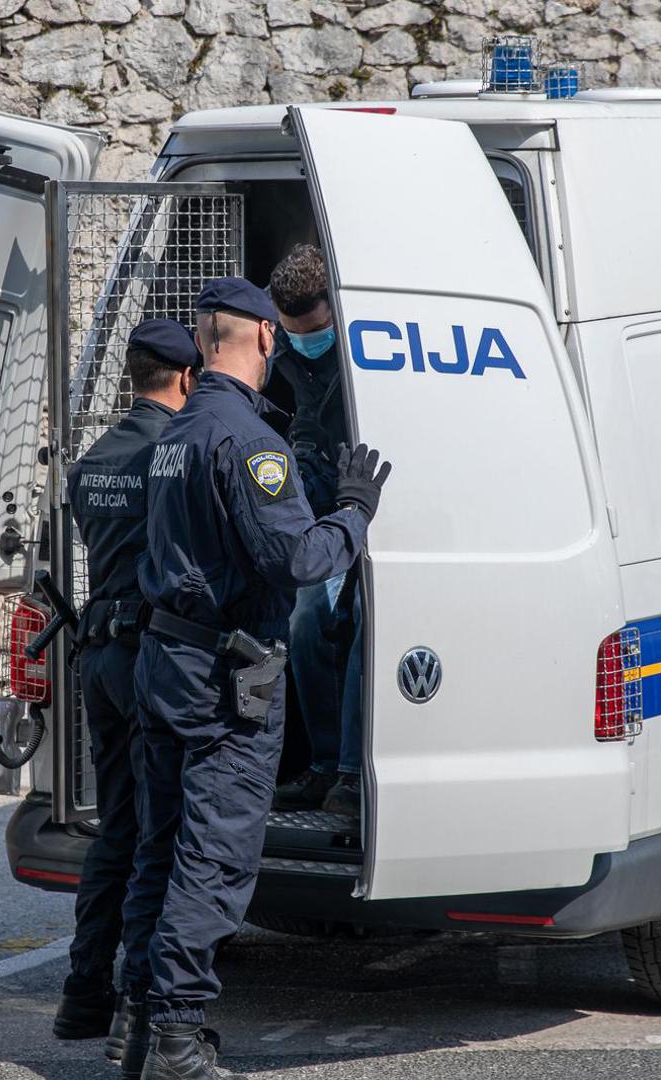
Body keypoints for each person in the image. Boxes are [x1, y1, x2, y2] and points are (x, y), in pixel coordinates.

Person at [119, 278, 392, 1080]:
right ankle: (176, 1039)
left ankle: (140, 1025)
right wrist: (352, 510)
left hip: (166, 665)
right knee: (213, 859)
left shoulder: (177, 430)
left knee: (158, 851)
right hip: (221, 678)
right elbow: (297, 559)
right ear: (265, 340)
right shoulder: (251, 443)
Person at [54, 320, 200, 1054]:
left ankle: (84, 992)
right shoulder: (169, 457)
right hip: (148, 658)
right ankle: (137, 1009)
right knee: (158, 836)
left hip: (99, 657)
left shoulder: (94, 461)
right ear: (184, 379)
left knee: (116, 828)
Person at [265, 244, 365, 818]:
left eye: (316, 330)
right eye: (293, 332)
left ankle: (351, 774)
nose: (305, 341)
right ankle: (325, 766)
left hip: (368, 494)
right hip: (318, 502)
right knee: (306, 624)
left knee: (357, 627)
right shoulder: (281, 347)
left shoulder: (364, 347)